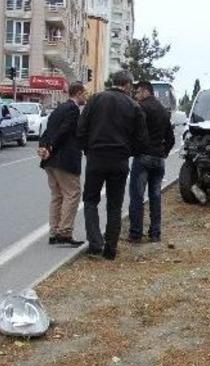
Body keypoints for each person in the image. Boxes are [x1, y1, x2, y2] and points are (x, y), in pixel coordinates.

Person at [77, 70, 149, 260]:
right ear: (128, 85)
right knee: (115, 205)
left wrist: (88, 149)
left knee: (91, 200)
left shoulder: (95, 100)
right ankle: (110, 248)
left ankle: (95, 243)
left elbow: (81, 128)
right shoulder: (134, 106)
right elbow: (141, 140)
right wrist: (127, 151)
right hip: (119, 160)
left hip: (96, 157)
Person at [37, 81, 86, 247]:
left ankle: (54, 232)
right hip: (64, 159)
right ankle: (65, 232)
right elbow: (64, 131)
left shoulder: (59, 108)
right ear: (78, 93)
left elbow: (47, 130)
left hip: (50, 161)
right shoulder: (73, 109)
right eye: (84, 94)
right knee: (73, 194)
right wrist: (52, 146)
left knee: (57, 196)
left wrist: (44, 147)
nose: (85, 97)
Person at [128, 81, 175, 243]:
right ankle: (155, 233)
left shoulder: (140, 108)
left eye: (137, 92)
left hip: (143, 157)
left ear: (145, 91)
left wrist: (134, 150)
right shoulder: (163, 110)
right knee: (155, 197)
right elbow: (171, 138)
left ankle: (135, 233)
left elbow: (134, 133)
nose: (136, 95)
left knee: (137, 196)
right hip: (158, 158)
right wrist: (164, 152)